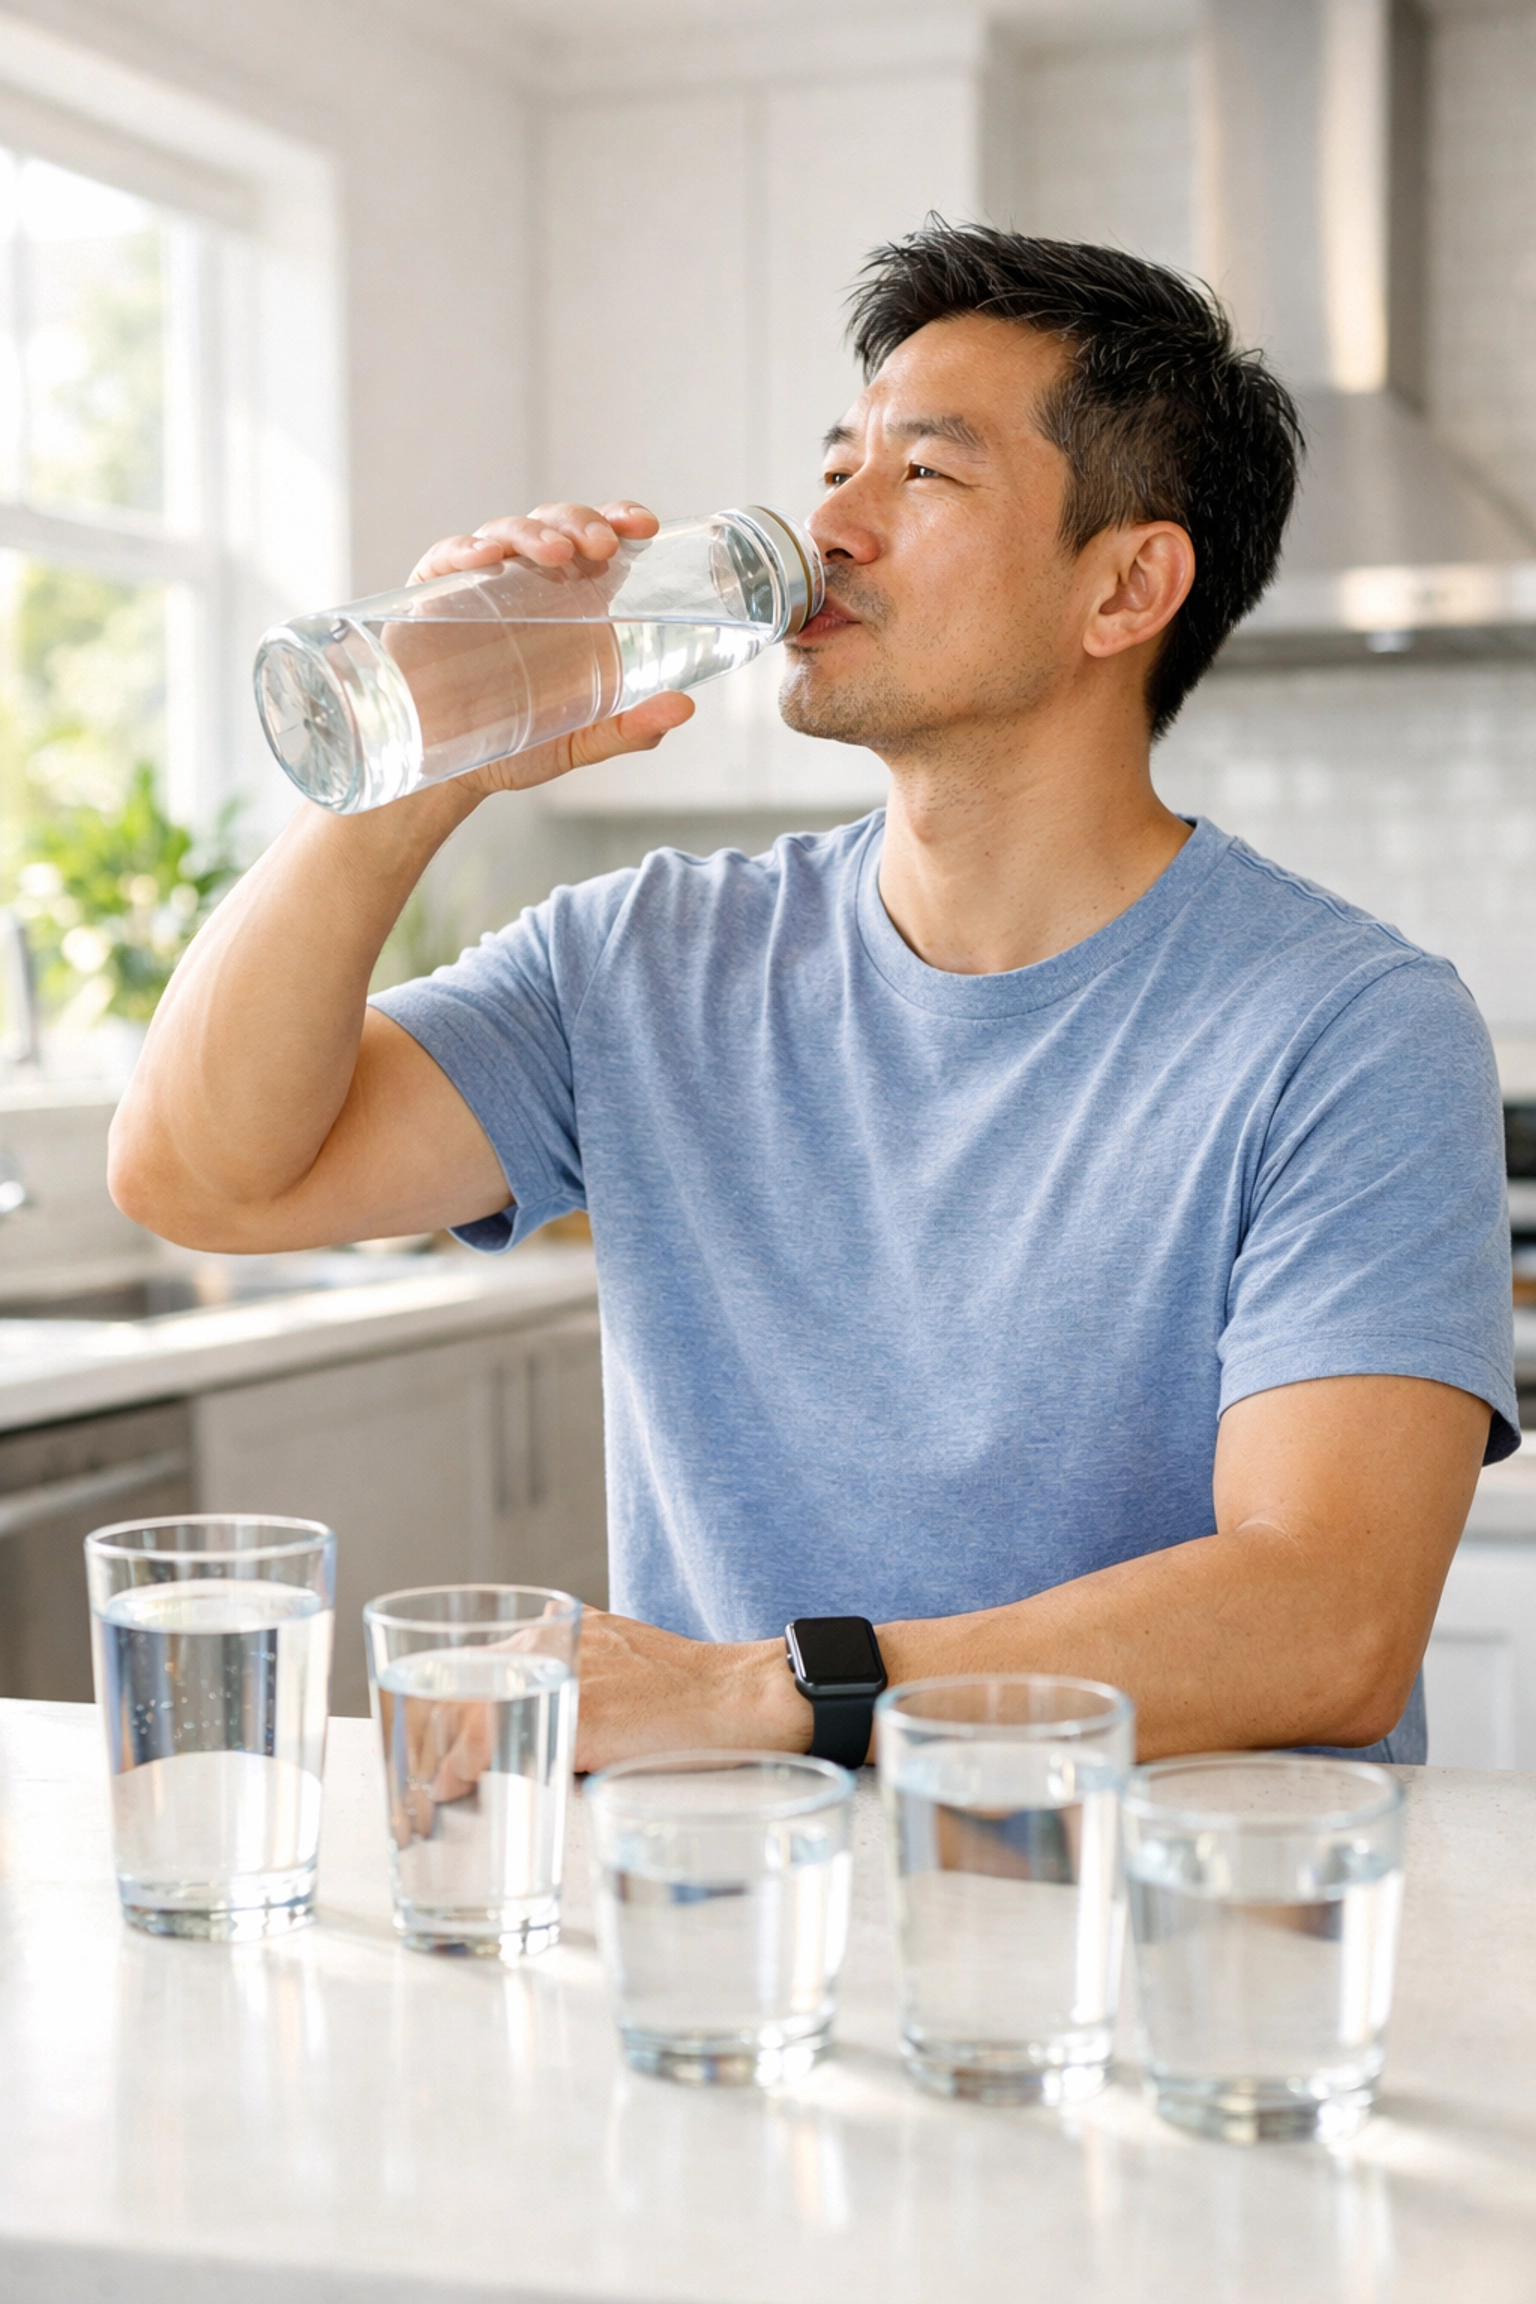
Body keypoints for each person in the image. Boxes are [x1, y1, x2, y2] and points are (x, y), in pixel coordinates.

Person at [109, 223, 1516, 1774]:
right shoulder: (645, 958)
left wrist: (746, 1695)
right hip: (748, 1933)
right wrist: (406, 772)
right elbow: (203, 1178)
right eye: (835, 459)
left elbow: (1329, 1620)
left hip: (1181, 1949)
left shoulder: (1349, 1028)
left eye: (924, 473)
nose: (828, 520)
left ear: (1127, 587)